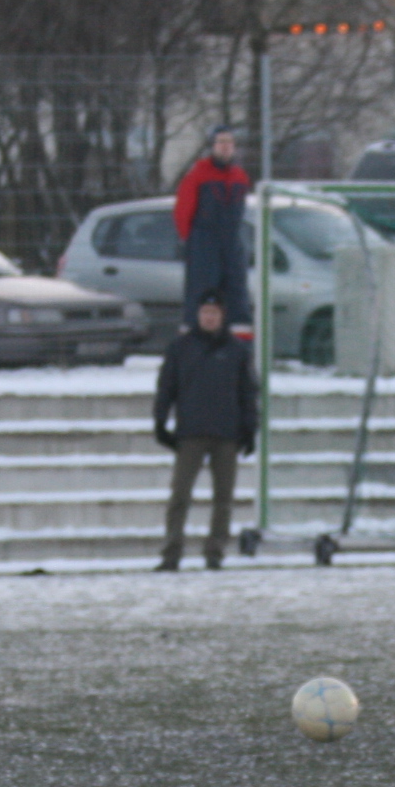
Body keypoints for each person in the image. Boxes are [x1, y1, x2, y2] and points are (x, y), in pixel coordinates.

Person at [151, 295, 259, 571]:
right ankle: (172, 553)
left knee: (223, 498)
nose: (209, 318)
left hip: (227, 434)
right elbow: (166, 387)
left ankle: (215, 552)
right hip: (191, 433)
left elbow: (248, 393)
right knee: (180, 495)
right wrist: (160, 422)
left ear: (222, 316)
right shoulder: (181, 348)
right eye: (205, 312)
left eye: (214, 312)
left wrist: (250, 429)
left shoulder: (237, 351)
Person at [173, 126, 255, 328]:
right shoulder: (198, 174)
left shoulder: (240, 176)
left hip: (232, 242)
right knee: (203, 292)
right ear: (212, 146)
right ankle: (198, 337)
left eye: (229, 142)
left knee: (237, 291)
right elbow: (183, 211)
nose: (225, 147)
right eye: (221, 142)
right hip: (204, 241)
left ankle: (238, 338)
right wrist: (191, 241)